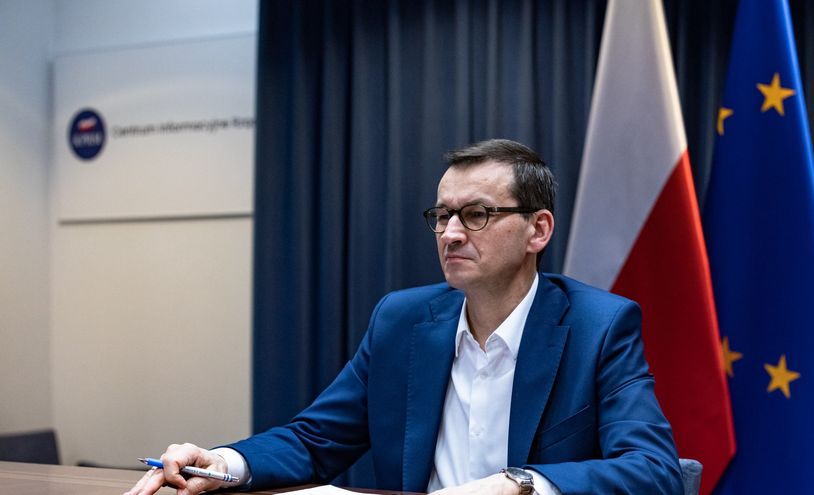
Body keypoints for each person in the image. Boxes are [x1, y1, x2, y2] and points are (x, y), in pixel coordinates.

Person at [126, 139, 682, 495]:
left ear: (538, 230)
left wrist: (520, 484)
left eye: (477, 214)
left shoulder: (598, 325)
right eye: (442, 215)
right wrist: (222, 462)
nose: (451, 234)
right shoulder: (403, 319)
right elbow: (315, 440)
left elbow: (654, 470)